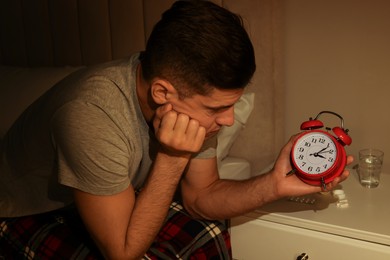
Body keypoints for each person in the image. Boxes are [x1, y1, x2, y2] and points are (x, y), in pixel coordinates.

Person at [0, 0, 352, 259]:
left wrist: (274, 184)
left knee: (211, 231)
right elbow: (122, 253)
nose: (229, 120)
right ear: (162, 93)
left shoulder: (183, 103)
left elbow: (201, 197)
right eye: (217, 108)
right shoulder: (90, 115)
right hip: (29, 212)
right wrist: (173, 157)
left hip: (110, 198)